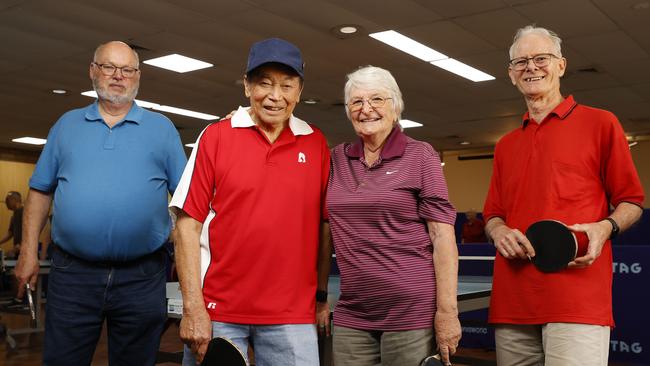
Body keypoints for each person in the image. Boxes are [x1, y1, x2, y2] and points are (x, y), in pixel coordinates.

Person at [14, 41, 187, 365]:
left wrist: (185, 257)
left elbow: (185, 203)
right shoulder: (66, 126)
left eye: (127, 70)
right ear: (93, 71)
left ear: (138, 76)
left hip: (143, 275)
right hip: (73, 274)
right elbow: (39, 191)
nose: (118, 76)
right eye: (109, 67)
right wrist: (27, 252)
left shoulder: (162, 130)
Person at [483, 25, 644, 366]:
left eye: (541, 58)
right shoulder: (505, 146)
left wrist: (605, 228)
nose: (531, 67)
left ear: (561, 65)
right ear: (511, 74)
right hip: (512, 302)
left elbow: (631, 201)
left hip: (578, 300)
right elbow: (493, 214)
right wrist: (497, 230)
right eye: (521, 62)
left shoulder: (602, 124)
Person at [170, 38, 331, 366]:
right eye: (264, 83)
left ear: (299, 92)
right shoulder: (215, 136)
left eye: (287, 85)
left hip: (293, 315)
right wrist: (193, 308)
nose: (275, 96)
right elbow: (187, 226)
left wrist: (320, 298)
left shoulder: (316, 144)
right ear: (246, 86)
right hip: (219, 313)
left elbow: (324, 227)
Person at [325, 66, 461, 366]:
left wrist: (447, 312)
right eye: (357, 102)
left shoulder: (420, 155)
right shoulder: (336, 158)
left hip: (410, 310)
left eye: (377, 99)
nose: (366, 109)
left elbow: (442, 236)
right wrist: (246, 120)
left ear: (395, 106)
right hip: (352, 312)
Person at [0, 191, 23, 258]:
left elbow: (32, 233)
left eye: (8, 200)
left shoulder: (26, 213)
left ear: (14, 200)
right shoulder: (14, 216)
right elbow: (10, 233)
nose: (6, 202)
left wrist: (20, 246)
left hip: (26, 253)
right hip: (18, 253)